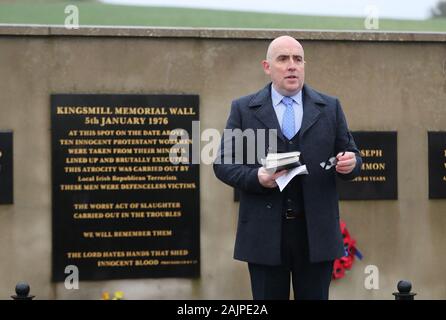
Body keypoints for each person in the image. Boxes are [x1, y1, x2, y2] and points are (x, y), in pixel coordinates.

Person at [213, 35, 362, 300]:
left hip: (316, 235)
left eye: (298, 59)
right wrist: (256, 177)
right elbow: (223, 163)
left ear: (304, 64)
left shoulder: (330, 108)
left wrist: (350, 164)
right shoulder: (244, 109)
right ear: (267, 67)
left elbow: (352, 156)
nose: (292, 65)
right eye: (283, 59)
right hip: (264, 235)